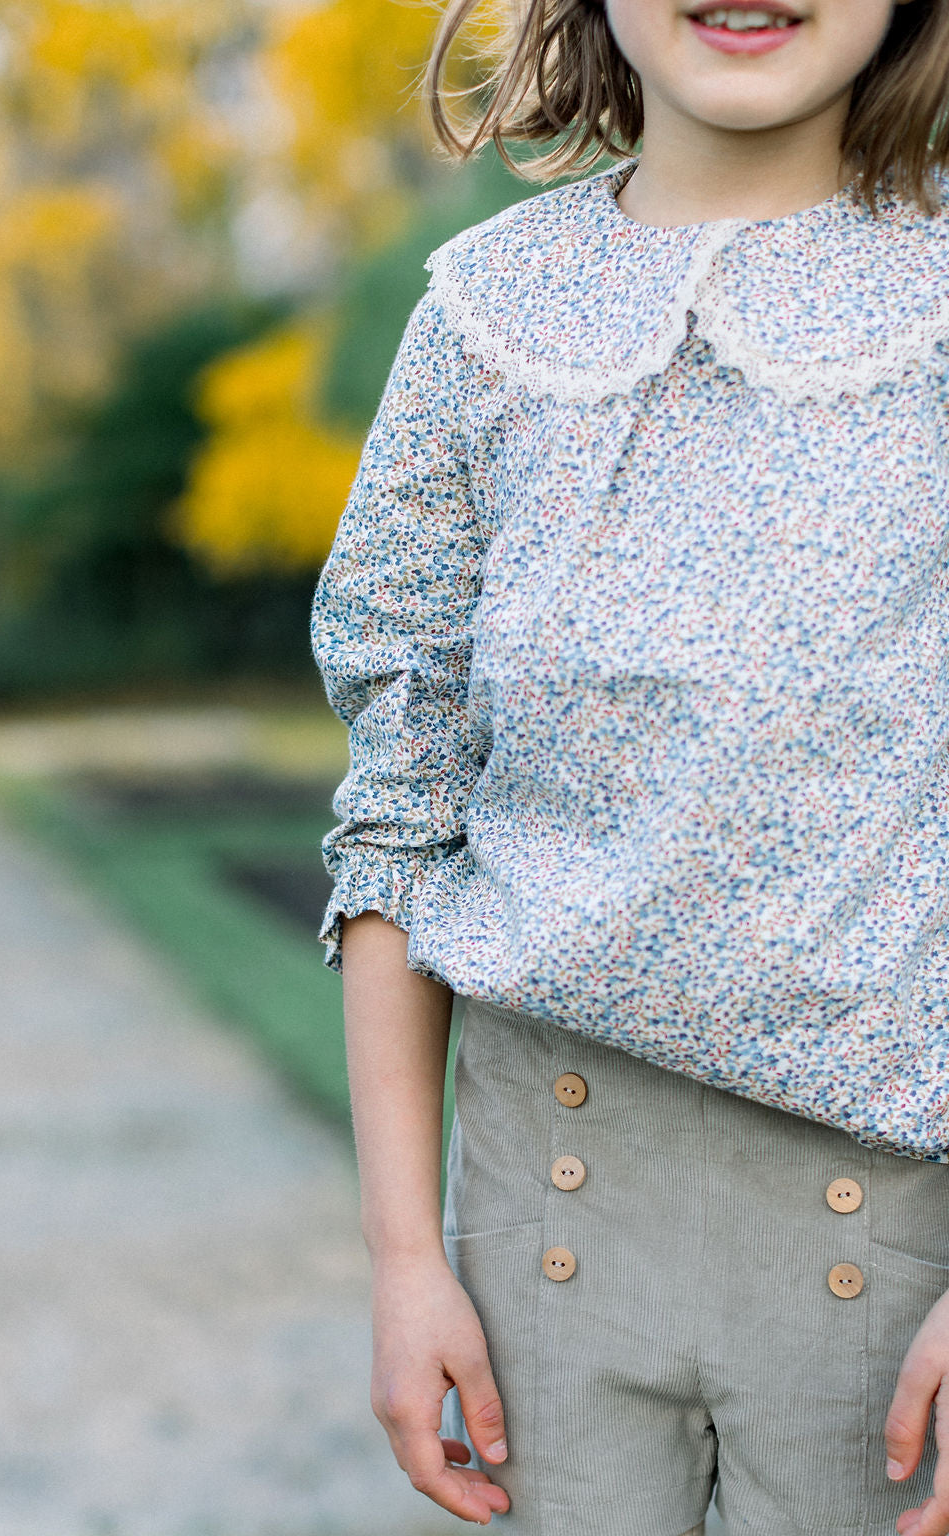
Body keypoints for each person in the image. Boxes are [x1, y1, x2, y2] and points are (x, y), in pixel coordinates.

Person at [309, 2, 949, 1532]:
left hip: (896, 1249)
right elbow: (398, 814)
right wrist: (408, 1260)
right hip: (549, 1224)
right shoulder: (480, 323)